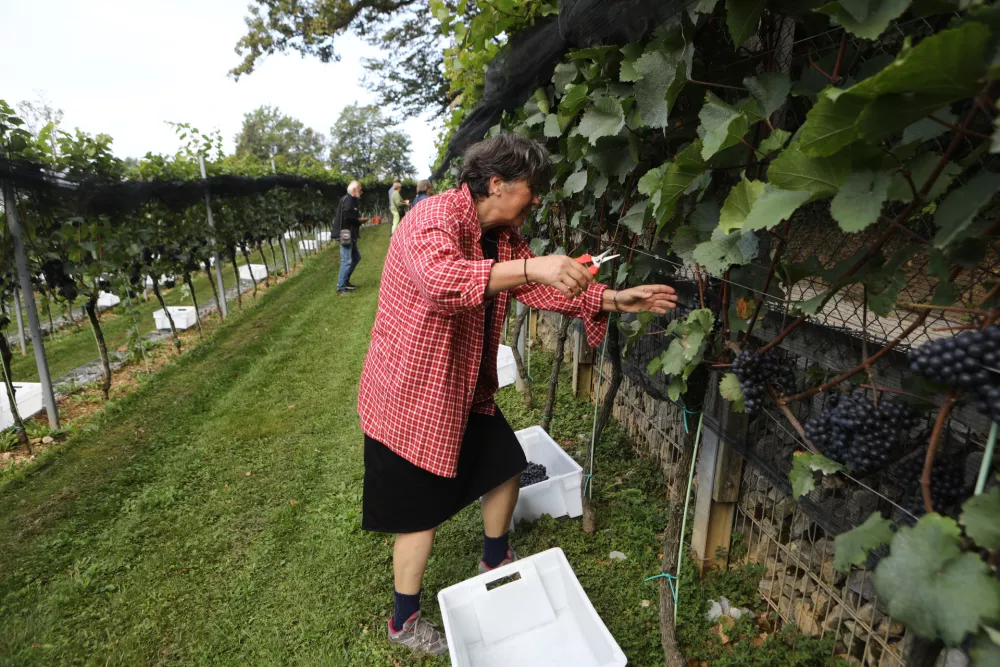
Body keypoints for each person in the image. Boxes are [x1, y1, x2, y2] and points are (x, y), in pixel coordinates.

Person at [357, 133, 678, 656]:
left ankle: (495, 558)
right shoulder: (431, 218)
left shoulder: (501, 236)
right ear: (497, 183)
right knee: (419, 513)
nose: (537, 199)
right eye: (531, 188)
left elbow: (538, 286)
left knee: (505, 464)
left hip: (464, 386)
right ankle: (404, 621)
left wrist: (614, 299)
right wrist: (534, 265)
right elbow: (443, 282)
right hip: (413, 391)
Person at [334, 180, 368, 295]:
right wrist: (359, 220)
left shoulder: (350, 200)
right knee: (346, 261)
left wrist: (359, 220)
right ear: (354, 190)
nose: (362, 192)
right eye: (360, 190)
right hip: (345, 235)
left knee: (356, 257)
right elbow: (347, 216)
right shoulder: (348, 200)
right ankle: (341, 288)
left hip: (350, 234)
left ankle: (345, 281)